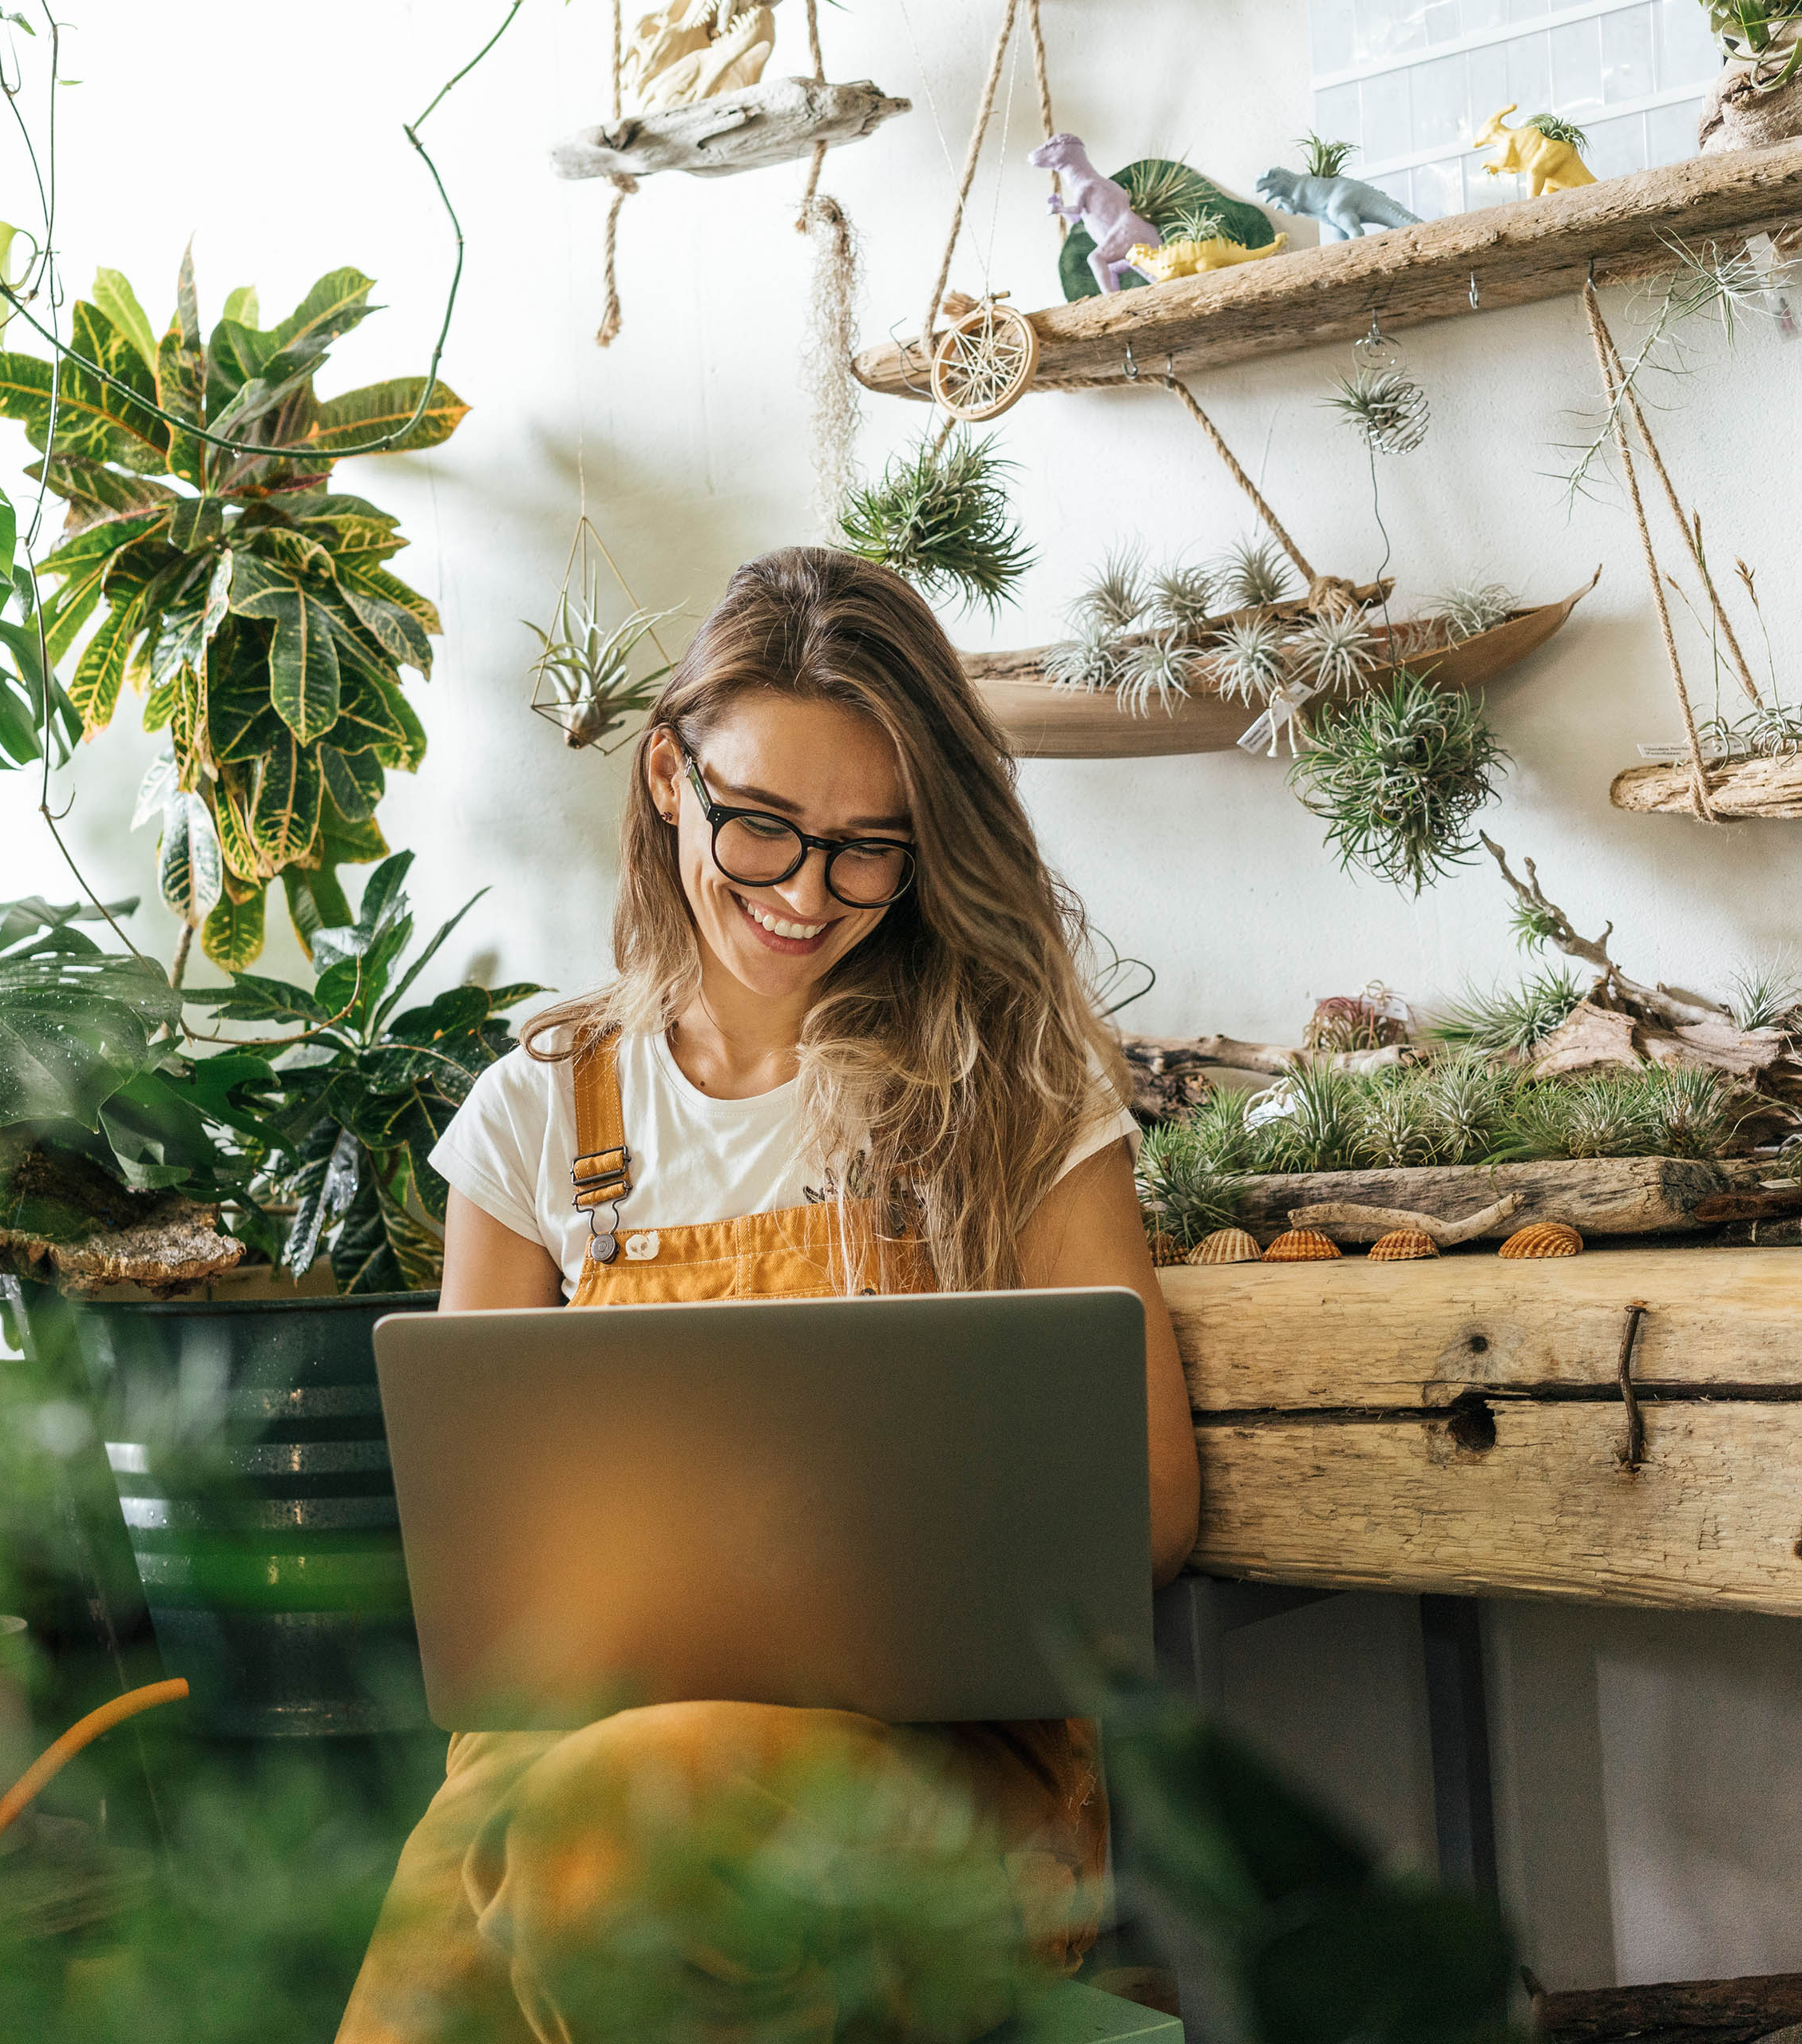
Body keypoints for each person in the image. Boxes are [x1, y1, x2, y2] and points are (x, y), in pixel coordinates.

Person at [337, 548, 1199, 2044]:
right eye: (765, 831)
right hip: (561, 1764)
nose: (809, 894)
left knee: (607, 1843)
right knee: (548, 1854)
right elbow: (482, 1565)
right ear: (672, 775)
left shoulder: (1020, 1094)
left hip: (935, 1778)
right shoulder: (537, 1116)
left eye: (871, 848)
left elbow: (1151, 1505)